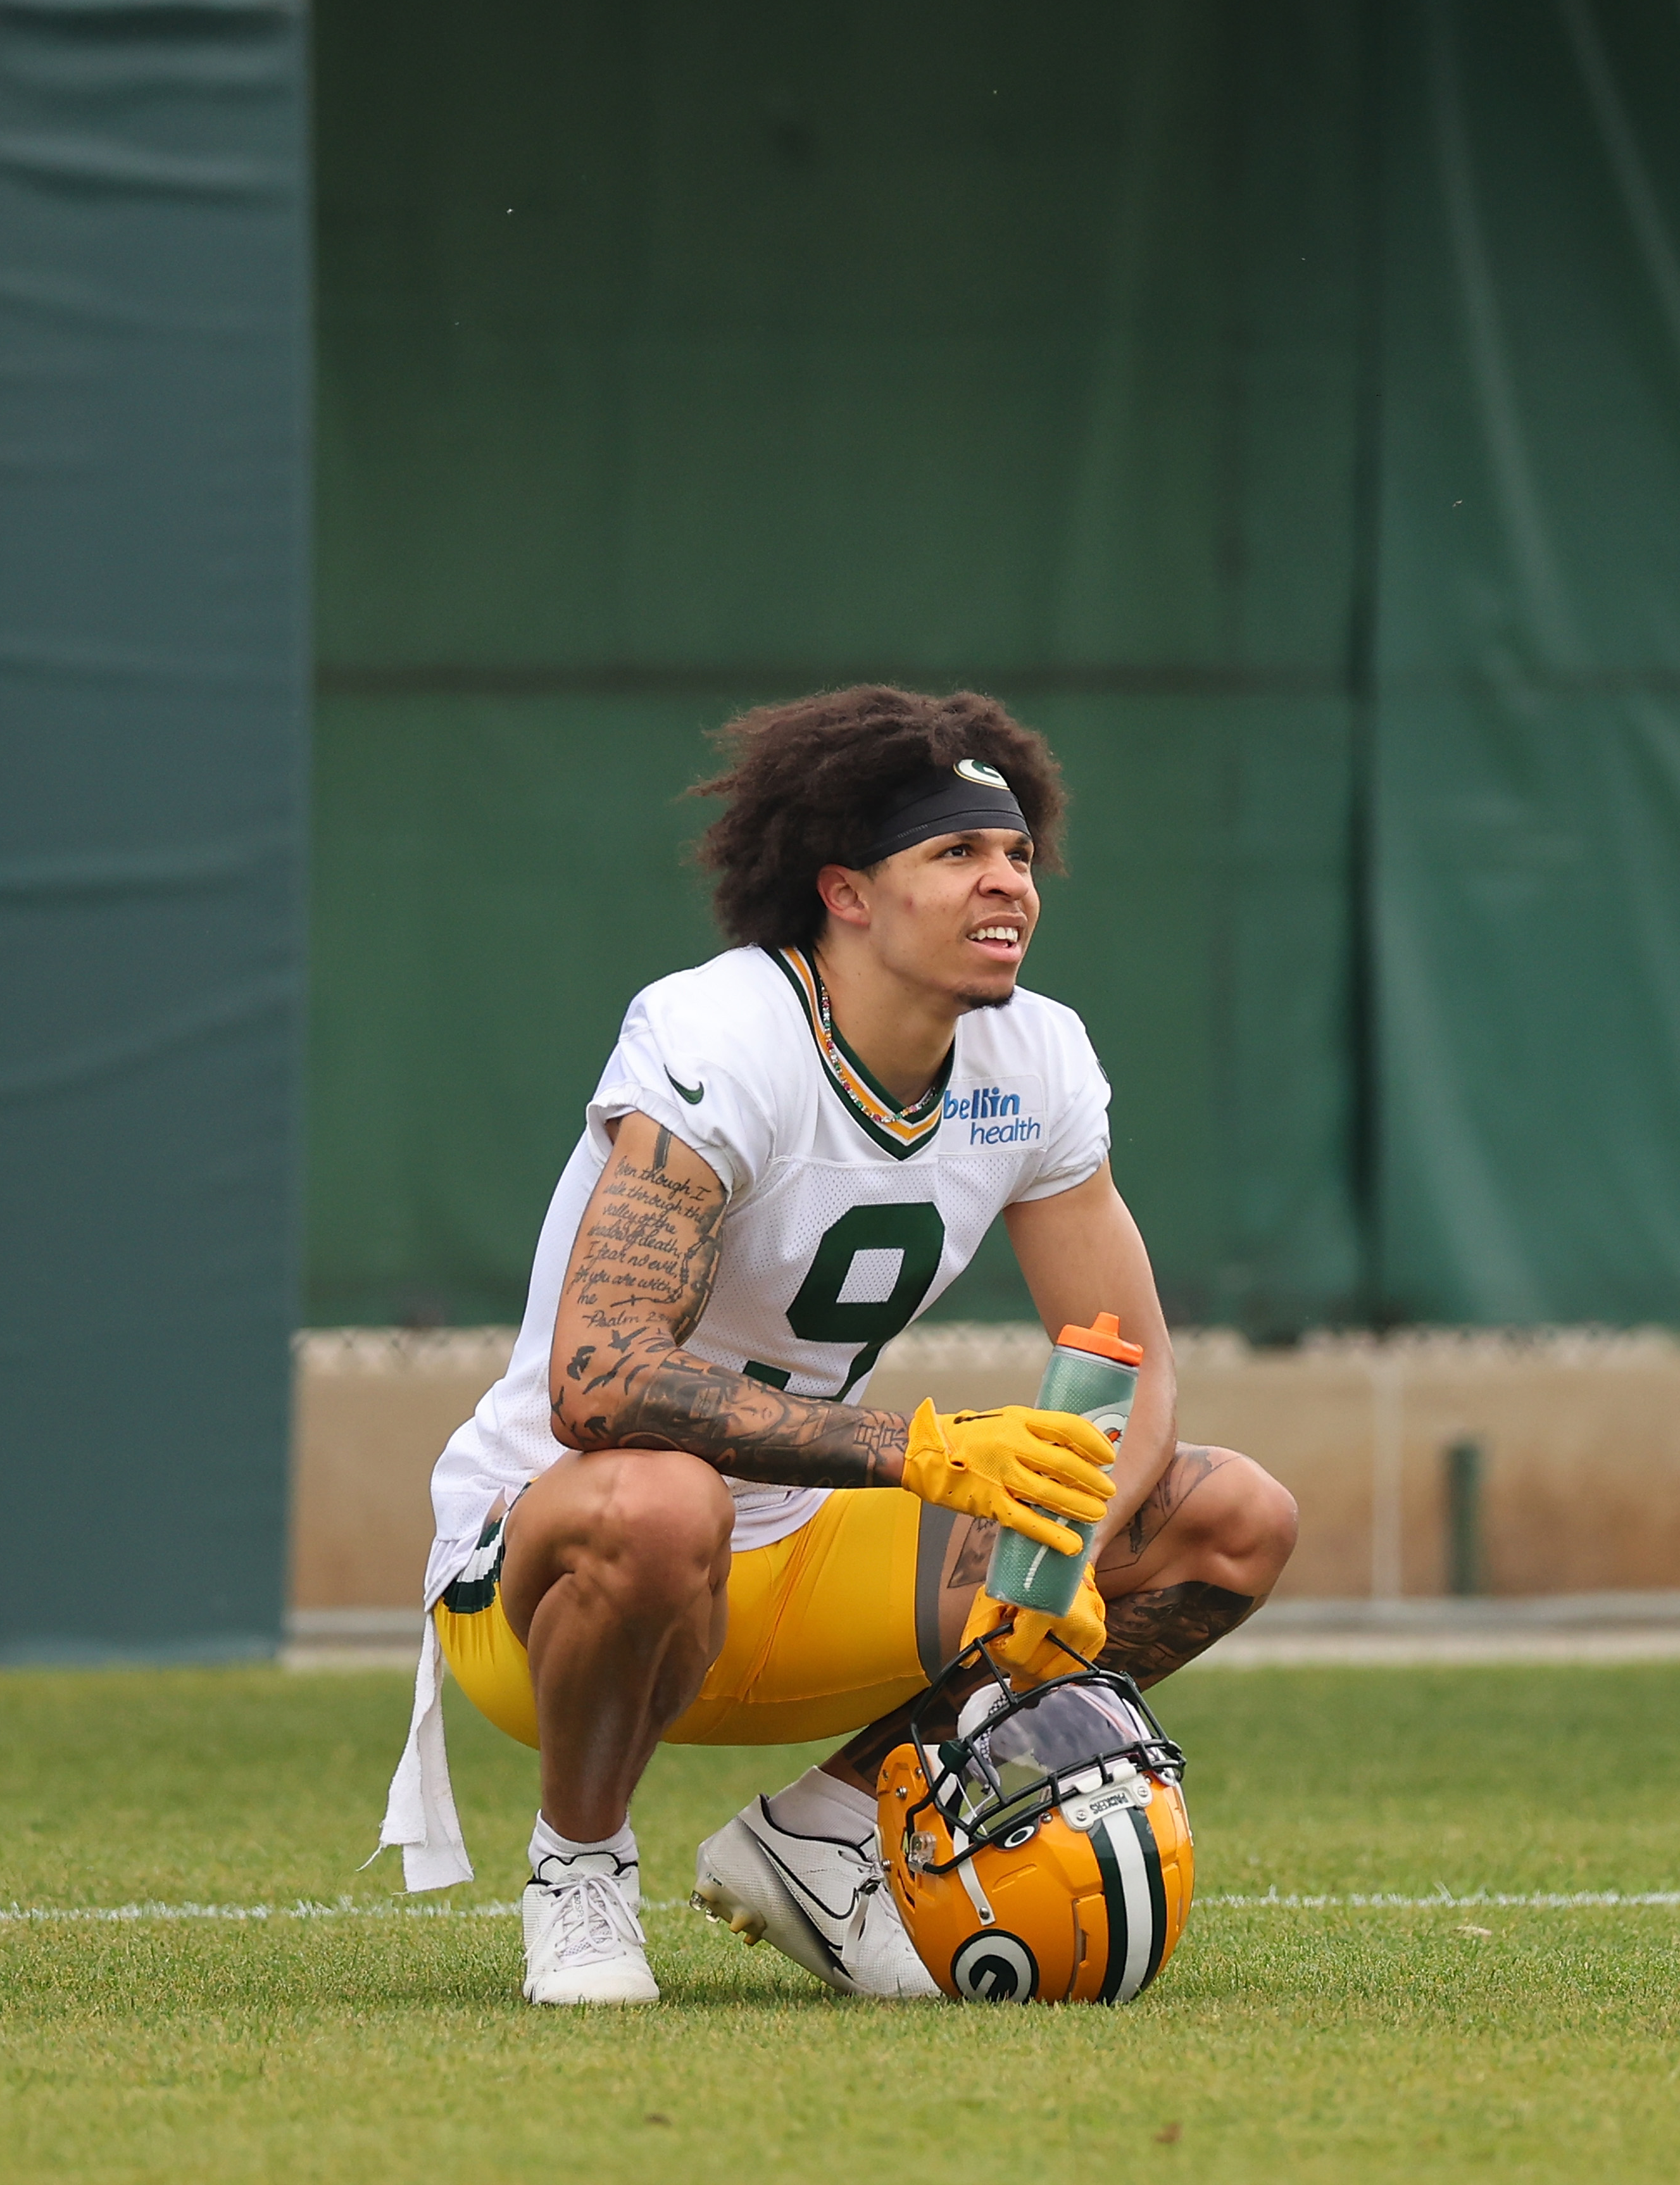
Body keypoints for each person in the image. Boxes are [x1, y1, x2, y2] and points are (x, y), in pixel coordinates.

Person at [377, 686, 1301, 2004]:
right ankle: (578, 1865)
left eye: (1020, 854)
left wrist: (1065, 1570)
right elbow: (599, 1381)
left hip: (800, 1556)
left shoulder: (1033, 1057)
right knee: (657, 1496)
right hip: (557, 1576)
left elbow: (1130, 1368)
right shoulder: (723, 1033)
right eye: (958, 853)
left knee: (1229, 1516)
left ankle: (820, 1832)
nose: (1009, 882)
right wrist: (910, 1447)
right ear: (846, 894)